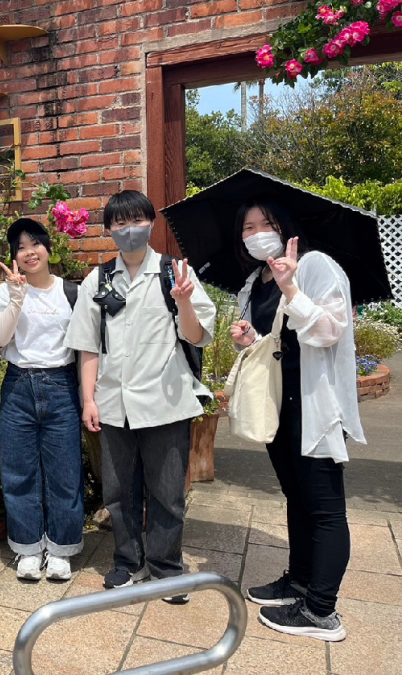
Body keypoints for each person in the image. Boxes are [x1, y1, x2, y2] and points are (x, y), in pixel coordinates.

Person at [64, 190, 215, 603]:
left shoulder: (175, 272)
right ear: (109, 229)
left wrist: (185, 302)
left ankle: (167, 569)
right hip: (114, 405)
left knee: (167, 492)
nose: (129, 230)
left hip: (166, 402)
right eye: (119, 223)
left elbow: (196, 336)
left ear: (151, 223)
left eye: (137, 221)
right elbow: (87, 346)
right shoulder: (97, 280)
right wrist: (89, 399)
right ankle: (127, 562)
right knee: (119, 492)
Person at [230, 198, 364, 642]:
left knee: (325, 508)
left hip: (314, 407)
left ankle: (321, 611)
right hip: (279, 407)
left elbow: (330, 331)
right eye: (247, 227)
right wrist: (248, 338)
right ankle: (301, 581)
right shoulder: (255, 281)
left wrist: (292, 289)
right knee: (296, 496)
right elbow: (272, 345)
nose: (256, 233)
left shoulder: (314, 266)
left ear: (284, 226)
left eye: (265, 223)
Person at [0, 218, 83, 581]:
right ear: (14, 256)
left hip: (61, 384)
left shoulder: (71, 292)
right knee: (19, 471)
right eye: (20, 247)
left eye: (35, 244)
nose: (29, 252)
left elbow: (85, 346)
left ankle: (61, 549)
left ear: (47, 248)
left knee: (65, 473)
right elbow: (0, 338)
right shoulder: (5, 292)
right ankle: (28, 548)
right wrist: (16, 298)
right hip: (18, 385)